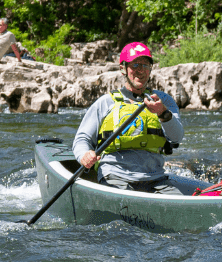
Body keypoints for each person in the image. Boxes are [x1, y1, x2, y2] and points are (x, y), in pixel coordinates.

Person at [72, 41, 185, 194]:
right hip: (114, 177)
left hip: (156, 179)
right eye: (135, 65)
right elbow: (82, 139)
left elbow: (177, 137)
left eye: (146, 65)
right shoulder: (106, 102)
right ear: (123, 69)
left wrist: (163, 113)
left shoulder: (163, 101)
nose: (141, 70)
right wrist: (84, 155)